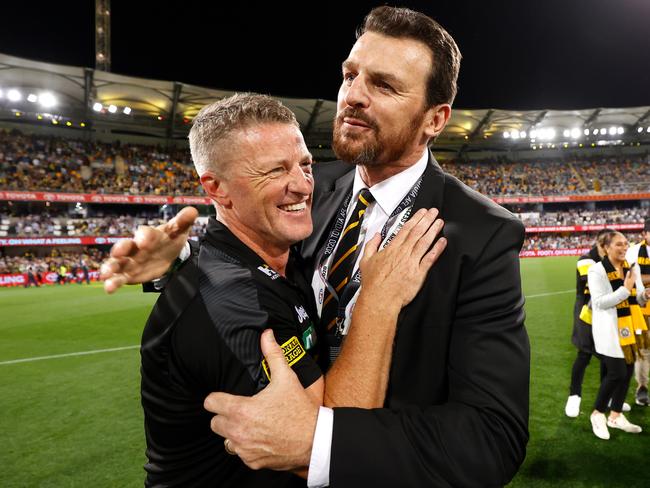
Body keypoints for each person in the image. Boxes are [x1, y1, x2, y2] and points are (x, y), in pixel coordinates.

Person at [102, 7, 530, 487]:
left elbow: (492, 437)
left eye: (384, 86)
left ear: (435, 119)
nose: (353, 96)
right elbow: (254, 257)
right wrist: (183, 261)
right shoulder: (313, 187)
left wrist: (320, 443)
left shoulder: (481, 233)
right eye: (350, 75)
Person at [139, 93, 446, 486]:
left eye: (305, 165)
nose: (302, 186)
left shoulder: (278, 252)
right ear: (217, 189)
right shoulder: (233, 305)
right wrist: (379, 299)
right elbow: (327, 442)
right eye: (274, 171)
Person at [588, 231, 648, 440]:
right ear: (606, 248)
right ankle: (597, 414)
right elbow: (599, 303)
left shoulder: (632, 268)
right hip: (608, 330)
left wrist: (644, 295)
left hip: (629, 327)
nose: (624, 248)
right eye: (618, 245)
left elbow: (638, 297)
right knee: (616, 373)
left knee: (628, 369)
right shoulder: (597, 271)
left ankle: (616, 416)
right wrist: (625, 289)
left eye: (626, 244)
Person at [565, 229, 611, 417]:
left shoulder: (609, 259)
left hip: (606, 308)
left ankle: (606, 397)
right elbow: (594, 285)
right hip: (586, 310)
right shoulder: (585, 259)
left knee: (607, 354)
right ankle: (574, 397)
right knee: (584, 354)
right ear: (602, 245)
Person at [625, 218, 650, 406]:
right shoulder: (633, 252)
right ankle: (642, 387)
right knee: (644, 351)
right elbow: (631, 278)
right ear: (645, 234)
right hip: (643, 310)